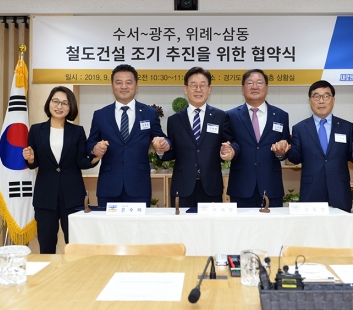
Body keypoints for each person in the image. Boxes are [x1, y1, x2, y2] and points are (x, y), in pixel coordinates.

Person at [23, 86, 100, 254]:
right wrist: (30, 159)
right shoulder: (36, 130)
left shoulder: (77, 131)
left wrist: (96, 157)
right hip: (45, 197)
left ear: (70, 107)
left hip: (73, 196)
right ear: (49, 103)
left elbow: (81, 161)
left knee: (74, 246)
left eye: (65, 103)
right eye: (56, 101)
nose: (59, 106)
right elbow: (33, 164)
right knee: (46, 247)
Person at [87, 64, 170, 208]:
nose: (124, 86)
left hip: (139, 186)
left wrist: (162, 145)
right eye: (119, 82)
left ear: (136, 86)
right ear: (112, 86)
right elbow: (90, 142)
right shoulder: (100, 115)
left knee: (138, 223)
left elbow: (161, 138)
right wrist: (94, 149)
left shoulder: (149, 113)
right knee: (107, 223)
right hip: (109, 186)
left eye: (129, 82)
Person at [161, 67, 238, 207]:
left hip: (211, 186)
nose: (198, 89)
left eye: (202, 85)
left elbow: (231, 142)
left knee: (210, 221)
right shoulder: (175, 120)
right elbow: (171, 152)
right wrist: (162, 150)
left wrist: (229, 150)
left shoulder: (220, 116)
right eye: (193, 85)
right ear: (186, 89)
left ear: (209, 89)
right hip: (182, 187)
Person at [287, 80, 353, 212]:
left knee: (340, 226)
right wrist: (286, 150)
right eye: (316, 96)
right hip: (311, 193)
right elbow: (295, 158)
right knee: (312, 226)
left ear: (333, 100)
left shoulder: (346, 127)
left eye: (326, 96)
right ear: (310, 101)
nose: (321, 101)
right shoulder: (300, 128)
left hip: (340, 193)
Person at [226, 69, 290, 207]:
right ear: (242, 89)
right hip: (241, 186)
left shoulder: (281, 115)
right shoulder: (231, 116)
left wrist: (281, 152)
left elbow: (285, 145)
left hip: (271, 186)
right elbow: (230, 145)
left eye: (259, 83)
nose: (254, 87)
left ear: (266, 88)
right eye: (250, 83)